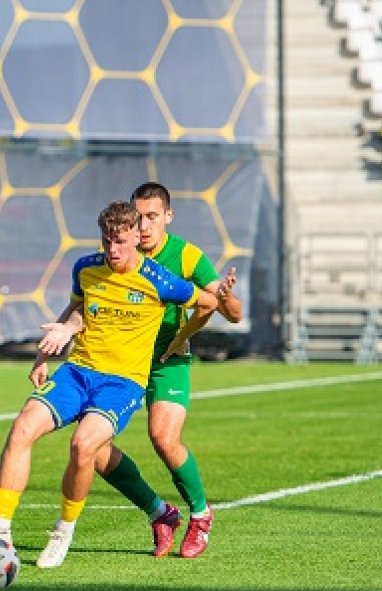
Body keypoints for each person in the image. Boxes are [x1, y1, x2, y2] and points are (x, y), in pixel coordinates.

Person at [0, 200, 219, 569]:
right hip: (77, 371)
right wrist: (47, 351)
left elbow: (208, 301)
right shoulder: (86, 268)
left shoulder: (161, 279)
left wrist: (183, 335)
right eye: (107, 241)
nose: (112, 250)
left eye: (120, 241)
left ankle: (63, 532)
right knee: (23, 426)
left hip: (122, 384)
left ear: (137, 237)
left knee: (84, 445)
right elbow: (77, 310)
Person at [39, 182, 242, 564]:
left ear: (168, 216)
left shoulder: (186, 256)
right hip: (115, 362)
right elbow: (81, 306)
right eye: (139, 216)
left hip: (165, 360)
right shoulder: (112, 254)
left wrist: (219, 301)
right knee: (93, 451)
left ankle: (200, 514)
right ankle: (158, 511)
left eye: (152, 216)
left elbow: (228, 310)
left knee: (163, 438)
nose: (145, 225)